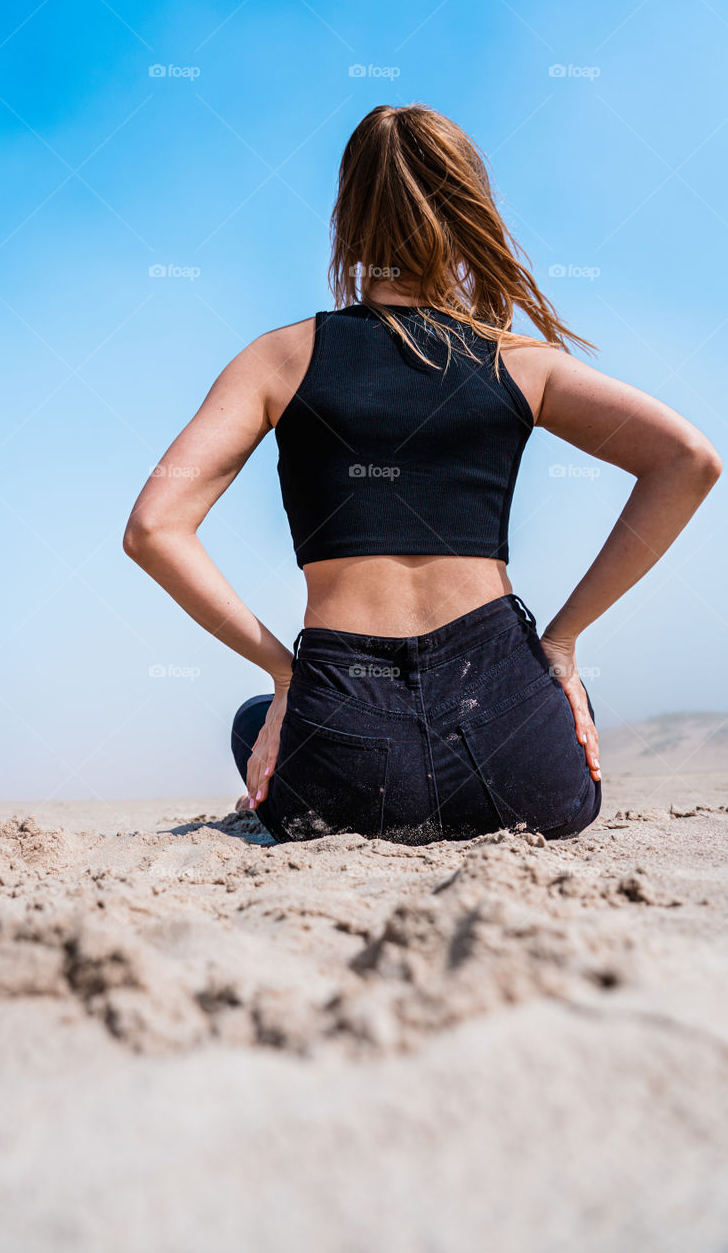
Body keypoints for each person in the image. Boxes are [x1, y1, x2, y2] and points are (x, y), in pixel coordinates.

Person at [124, 103, 721, 845]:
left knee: (255, 719)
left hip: (344, 770)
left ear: (346, 216)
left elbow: (153, 528)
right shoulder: (517, 361)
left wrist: (284, 677)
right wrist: (560, 646)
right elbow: (689, 460)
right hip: (514, 770)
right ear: (470, 208)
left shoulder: (277, 359)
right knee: (564, 693)